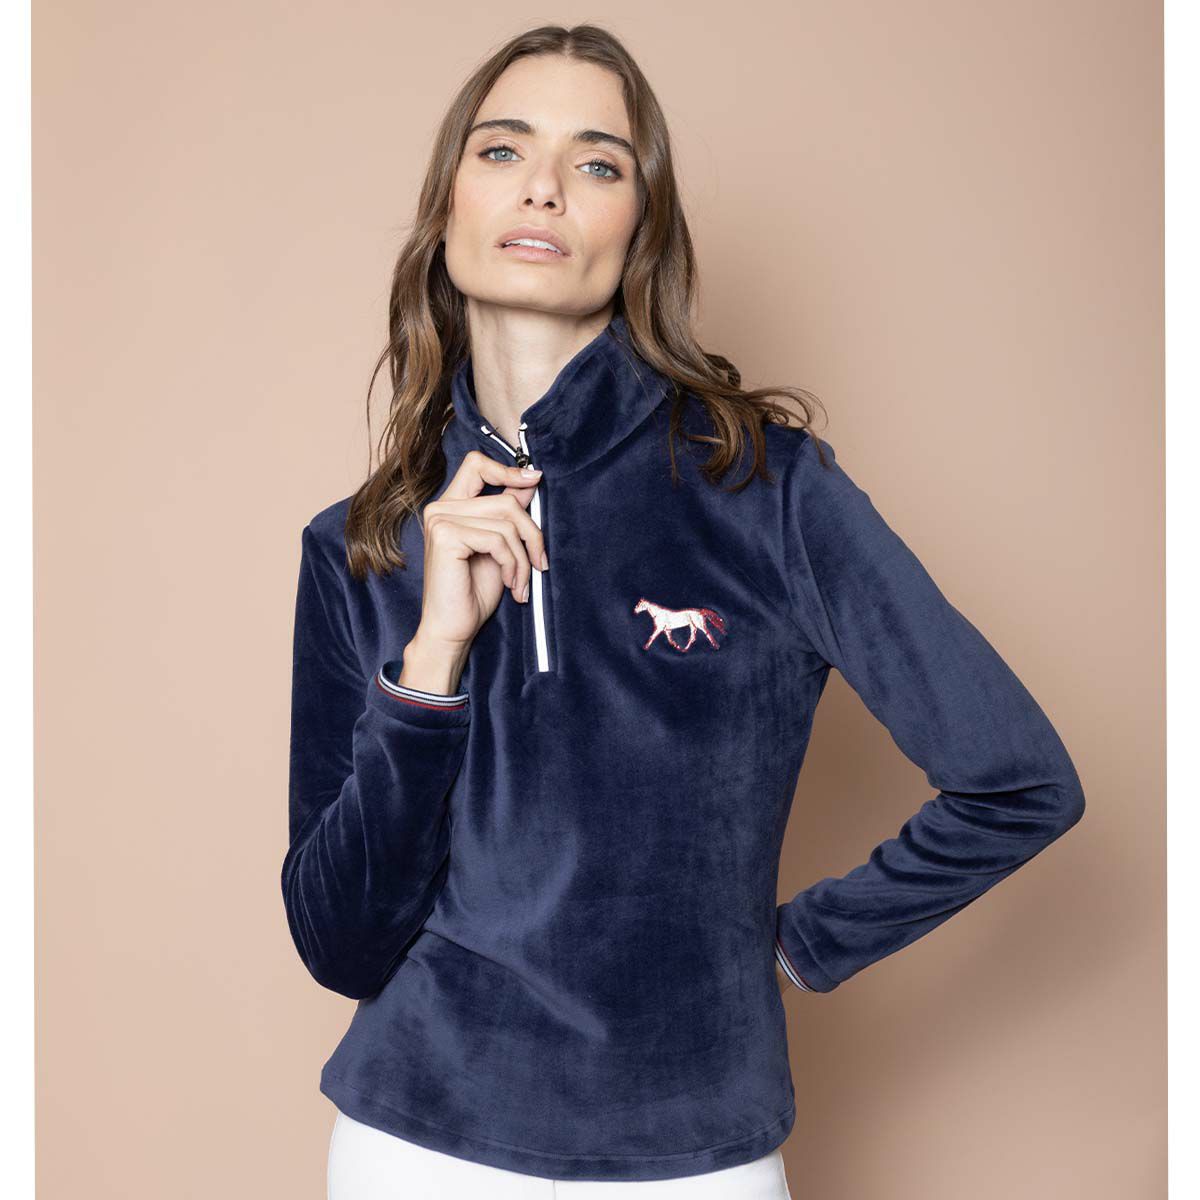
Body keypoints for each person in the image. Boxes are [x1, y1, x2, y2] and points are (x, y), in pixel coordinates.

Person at [281, 23, 1086, 1200]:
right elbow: (338, 942)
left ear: (641, 228)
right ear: (448, 202)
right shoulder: (360, 545)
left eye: (597, 162)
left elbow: (1019, 782)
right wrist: (434, 657)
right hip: (414, 1146)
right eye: (503, 150)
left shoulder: (764, 489)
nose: (544, 186)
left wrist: (801, 944)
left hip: (695, 1156)